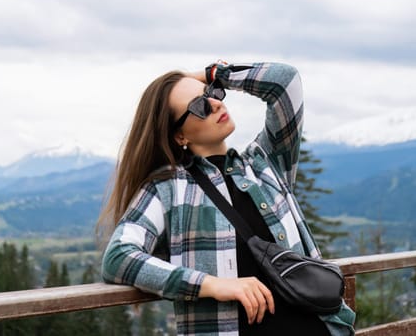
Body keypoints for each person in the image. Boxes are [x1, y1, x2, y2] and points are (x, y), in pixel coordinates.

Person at [98, 61, 355, 335]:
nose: (215, 104)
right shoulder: (168, 188)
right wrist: (213, 285)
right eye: (199, 106)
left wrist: (212, 75)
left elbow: (285, 83)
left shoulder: (266, 163)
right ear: (179, 135)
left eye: (212, 93)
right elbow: (118, 258)